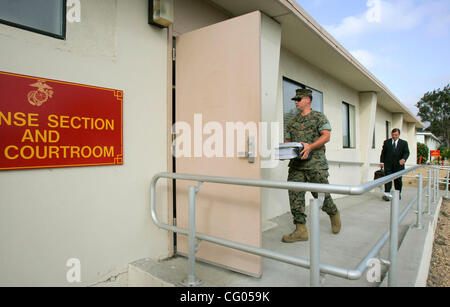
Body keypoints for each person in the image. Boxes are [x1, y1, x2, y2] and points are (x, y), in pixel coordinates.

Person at [282, 88, 341, 243]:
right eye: (295, 100)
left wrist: (310, 146)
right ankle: (300, 229)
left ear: (308, 99)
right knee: (295, 196)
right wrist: (284, 152)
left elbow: (326, 136)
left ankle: (333, 213)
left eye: (298, 99)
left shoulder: (318, 117)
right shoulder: (292, 121)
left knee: (321, 195)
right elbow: (288, 142)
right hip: (296, 166)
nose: (296, 102)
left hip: (316, 165)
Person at [380, 128, 410, 201]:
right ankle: (387, 195)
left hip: (399, 165)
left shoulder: (404, 143)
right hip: (388, 165)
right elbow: (383, 153)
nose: (394, 136)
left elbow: (407, 152)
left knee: (398, 180)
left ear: (399, 134)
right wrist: (382, 162)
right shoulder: (386, 142)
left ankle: (398, 194)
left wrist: (403, 159)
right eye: (393, 135)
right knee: (387, 180)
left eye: (396, 135)